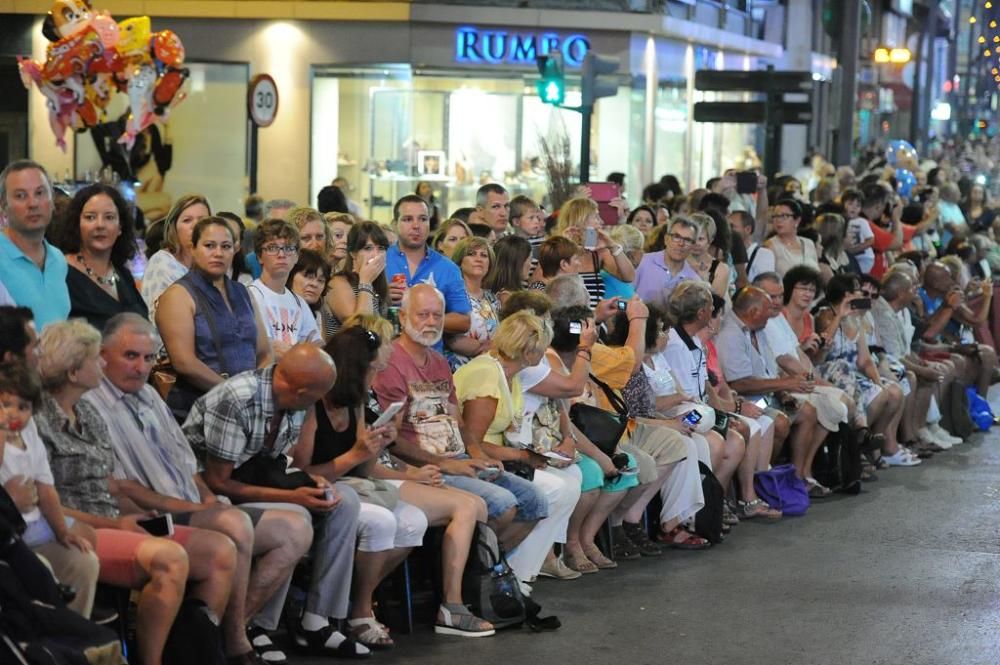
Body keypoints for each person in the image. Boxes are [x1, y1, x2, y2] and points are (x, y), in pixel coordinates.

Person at [86, 313, 313, 665]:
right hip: (146, 514)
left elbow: (188, 466)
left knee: (295, 529)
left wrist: (209, 500)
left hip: (188, 503)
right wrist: (197, 507)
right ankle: (234, 643)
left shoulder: (148, 395)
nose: (141, 367)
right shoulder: (90, 403)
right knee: (233, 526)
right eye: (130, 356)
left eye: (148, 358)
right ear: (102, 355)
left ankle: (218, 633)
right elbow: (119, 487)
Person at [32, 320, 259, 664]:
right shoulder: (38, 419)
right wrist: (117, 523)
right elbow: (44, 502)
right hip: (74, 529)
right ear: (74, 370)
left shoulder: (88, 413)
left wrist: (134, 514)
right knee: (171, 557)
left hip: (111, 516)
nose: (103, 365)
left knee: (220, 551)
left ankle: (188, 652)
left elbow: (111, 483)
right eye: (97, 359)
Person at [185, 344, 369, 658]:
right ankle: (250, 625)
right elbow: (219, 481)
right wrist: (292, 494)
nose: (320, 404)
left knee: (345, 500)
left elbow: (279, 464)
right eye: (317, 397)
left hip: (254, 477)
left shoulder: (297, 402)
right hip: (208, 494)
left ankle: (318, 618)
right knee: (296, 515)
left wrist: (313, 482)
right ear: (300, 391)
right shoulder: (238, 399)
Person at [370, 285, 547, 580]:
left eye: (437, 316)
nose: (430, 322)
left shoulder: (439, 362)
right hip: (423, 466)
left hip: (459, 458)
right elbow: (393, 440)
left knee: (535, 501)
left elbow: (459, 423)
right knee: (502, 505)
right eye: (422, 315)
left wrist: (478, 455)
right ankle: (466, 578)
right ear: (402, 317)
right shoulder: (392, 364)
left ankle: (484, 572)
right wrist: (446, 464)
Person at [341, 313, 495, 637]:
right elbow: (363, 464)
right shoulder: (349, 396)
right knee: (468, 506)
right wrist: (414, 475)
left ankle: (454, 596)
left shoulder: (365, 393)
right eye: (384, 342)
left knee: (476, 505)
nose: (391, 348)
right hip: (371, 479)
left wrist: (412, 471)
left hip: (388, 472)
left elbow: (382, 450)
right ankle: (448, 606)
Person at [292, 327, 428, 649]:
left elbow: (364, 470)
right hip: (313, 489)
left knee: (413, 522)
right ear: (356, 368)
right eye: (374, 368)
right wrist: (354, 454)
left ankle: (352, 603)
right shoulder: (313, 404)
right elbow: (298, 472)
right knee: (381, 521)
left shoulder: (354, 403)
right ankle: (355, 612)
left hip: (350, 484)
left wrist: (377, 444)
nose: (378, 376)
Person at [454, 311, 580, 586]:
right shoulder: (487, 375)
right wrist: (522, 456)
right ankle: (514, 571)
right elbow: (471, 442)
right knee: (555, 490)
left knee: (572, 480)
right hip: (480, 458)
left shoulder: (509, 374)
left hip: (501, 453)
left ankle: (522, 567)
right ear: (530, 350)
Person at [0, 359, 100, 620]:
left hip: (35, 526)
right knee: (40, 568)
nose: (13, 413)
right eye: (5, 405)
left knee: (83, 557)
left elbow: (46, 488)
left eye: (23, 407)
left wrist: (63, 532)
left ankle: (75, 637)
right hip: (9, 538)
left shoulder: (29, 431)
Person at [156, 217, 272, 421]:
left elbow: (264, 352)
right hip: (197, 409)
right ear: (193, 248)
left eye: (225, 246)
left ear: (234, 250)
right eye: (209, 245)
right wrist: (234, 393)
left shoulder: (243, 292)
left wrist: (256, 393)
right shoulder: (178, 295)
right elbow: (184, 362)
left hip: (248, 407)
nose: (218, 253)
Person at [716, 287, 833, 487]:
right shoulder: (730, 334)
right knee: (779, 422)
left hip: (767, 395)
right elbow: (739, 383)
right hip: (747, 400)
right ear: (753, 312)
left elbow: (768, 370)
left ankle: (797, 477)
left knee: (807, 412)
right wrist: (786, 383)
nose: (771, 316)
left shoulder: (757, 329)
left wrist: (784, 392)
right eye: (768, 311)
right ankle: (763, 480)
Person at [812, 274, 912, 467]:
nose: (864, 296)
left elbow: (864, 360)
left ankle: (866, 443)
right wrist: (840, 315)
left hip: (852, 375)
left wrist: (878, 382)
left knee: (891, 392)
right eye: (859, 291)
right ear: (847, 294)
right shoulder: (825, 314)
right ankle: (858, 441)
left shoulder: (857, 320)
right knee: (865, 388)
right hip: (828, 371)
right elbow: (824, 345)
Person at [48, 184, 147, 330]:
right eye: (90, 217)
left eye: (109, 217)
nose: (100, 225)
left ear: (120, 227)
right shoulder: (61, 272)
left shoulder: (122, 273)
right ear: (77, 224)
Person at [385, 195, 471, 349]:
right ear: (394, 224)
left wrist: (425, 316)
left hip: (430, 361)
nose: (416, 225)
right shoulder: (379, 262)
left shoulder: (448, 268)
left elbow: (464, 321)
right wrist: (382, 300)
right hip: (386, 358)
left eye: (423, 219)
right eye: (407, 219)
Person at [0, 160, 70, 328]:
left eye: (40, 193)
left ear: (52, 201)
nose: (33, 204)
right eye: (21, 196)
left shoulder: (58, 259)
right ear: (3, 207)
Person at [919, 261, 996, 397]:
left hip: (946, 344)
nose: (952, 281)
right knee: (961, 362)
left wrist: (987, 296)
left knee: (988, 354)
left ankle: (980, 403)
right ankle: (958, 408)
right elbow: (926, 333)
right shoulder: (919, 299)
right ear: (935, 283)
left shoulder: (947, 294)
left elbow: (977, 320)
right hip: (927, 347)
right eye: (947, 278)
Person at [248, 219, 321, 356]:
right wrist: (300, 351)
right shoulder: (250, 295)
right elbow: (266, 350)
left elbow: (317, 349)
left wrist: (291, 351)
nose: (281, 255)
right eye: (272, 248)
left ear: (297, 256)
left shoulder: (299, 302)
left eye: (288, 248)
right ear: (259, 257)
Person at [555, 197, 635, 308]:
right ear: (580, 221)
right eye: (596, 217)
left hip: (595, 322)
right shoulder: (554, 249)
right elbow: (538, 285)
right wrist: (563, 248)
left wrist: (613, 246)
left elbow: (629, 276)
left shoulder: (598, 252)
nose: (601, 222)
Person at [141, 194, 211, 320]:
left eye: (202, 220)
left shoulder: (210, 265)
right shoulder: (162, 263)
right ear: (174, 228)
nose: (195, 226)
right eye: (187, 220)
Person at [323, 221, 389, 338]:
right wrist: (366, 281)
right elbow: (361, 329)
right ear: (353, 253)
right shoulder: (337, 283)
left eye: (381, 248)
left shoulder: (377, 284)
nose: (376, 254)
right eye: (368, 248)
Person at [444, 237, 499, 371]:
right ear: (460, 261)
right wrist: (490, 348)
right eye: (471, 254)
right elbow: (451, 340)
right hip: (460, 371)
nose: (478, 259)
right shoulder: (450, 296)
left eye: (484, 255)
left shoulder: (491, 298)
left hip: (489, 369)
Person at [633, 216, 701, 309]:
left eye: (687, 240)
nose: (681, 243)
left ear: (693, 246)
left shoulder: (694, 281)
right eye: (676, 237)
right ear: (666, 239)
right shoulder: (643, 262)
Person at [764, 199, 819, 277]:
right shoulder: (770, 246)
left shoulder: (809, 243)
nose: (778, 220)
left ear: (797, 220)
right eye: (775, 216)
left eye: (784, 216)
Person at [287, 249, 331, 335]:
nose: (314, 284)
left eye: (321, 280)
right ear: (290, 276)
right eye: (308, 277)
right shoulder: (276, 308)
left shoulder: (317, 316)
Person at [687, 212, 731, 297]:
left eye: (700, 239)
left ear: (710, 240)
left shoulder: (720, 269)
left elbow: (716, 304)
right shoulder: (676, 261)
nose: (696, 243)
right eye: (692, 238)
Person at [484, 235, 533, 304]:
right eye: (529, 260)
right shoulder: (506, 297)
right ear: (517, 263)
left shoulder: (515, 292)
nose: (531, 265)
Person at [729, 209, 774, 285]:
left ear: (748, 229)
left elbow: (764, 286)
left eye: (732, 226)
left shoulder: (763, 254)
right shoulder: (724, 253)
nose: (728, 230)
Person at [842, 188, 875, 274]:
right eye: (850, 204)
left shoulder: (862, 222)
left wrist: (856, 249)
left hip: (865, 258)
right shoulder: (841, 220)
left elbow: (871, 240)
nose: (854, 208)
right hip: (850, 256)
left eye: (858, 205)